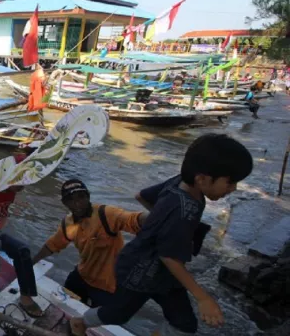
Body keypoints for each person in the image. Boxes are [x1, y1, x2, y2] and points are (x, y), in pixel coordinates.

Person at [70, 134, 253, 336]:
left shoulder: (181, 182)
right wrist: (203, 297)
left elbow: (142, 196)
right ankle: (80, 322)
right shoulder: (182, 211)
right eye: (230, 183)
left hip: (164, 274)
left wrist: (160, 222)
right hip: (138, 273)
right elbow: (170, 256)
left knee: (184, 324)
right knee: (118, 314)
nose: (233, 189)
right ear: (202, 179)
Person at [32, 179, 148, 307]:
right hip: (82, 275)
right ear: (65, 203)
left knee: (98, 318)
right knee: (66, 303)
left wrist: (158, 215)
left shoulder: (106, 214)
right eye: (71, 199)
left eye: (81, 197)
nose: (77, 203)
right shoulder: (68, 223)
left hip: (107, 285)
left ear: (88, 196)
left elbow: (133, 219)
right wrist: (32, 261)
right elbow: (53, 244)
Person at [0, 154, 42, 317]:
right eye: (20, 180)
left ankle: (26, 297)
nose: (23, 185)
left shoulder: (11, 190)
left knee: (22, 250)